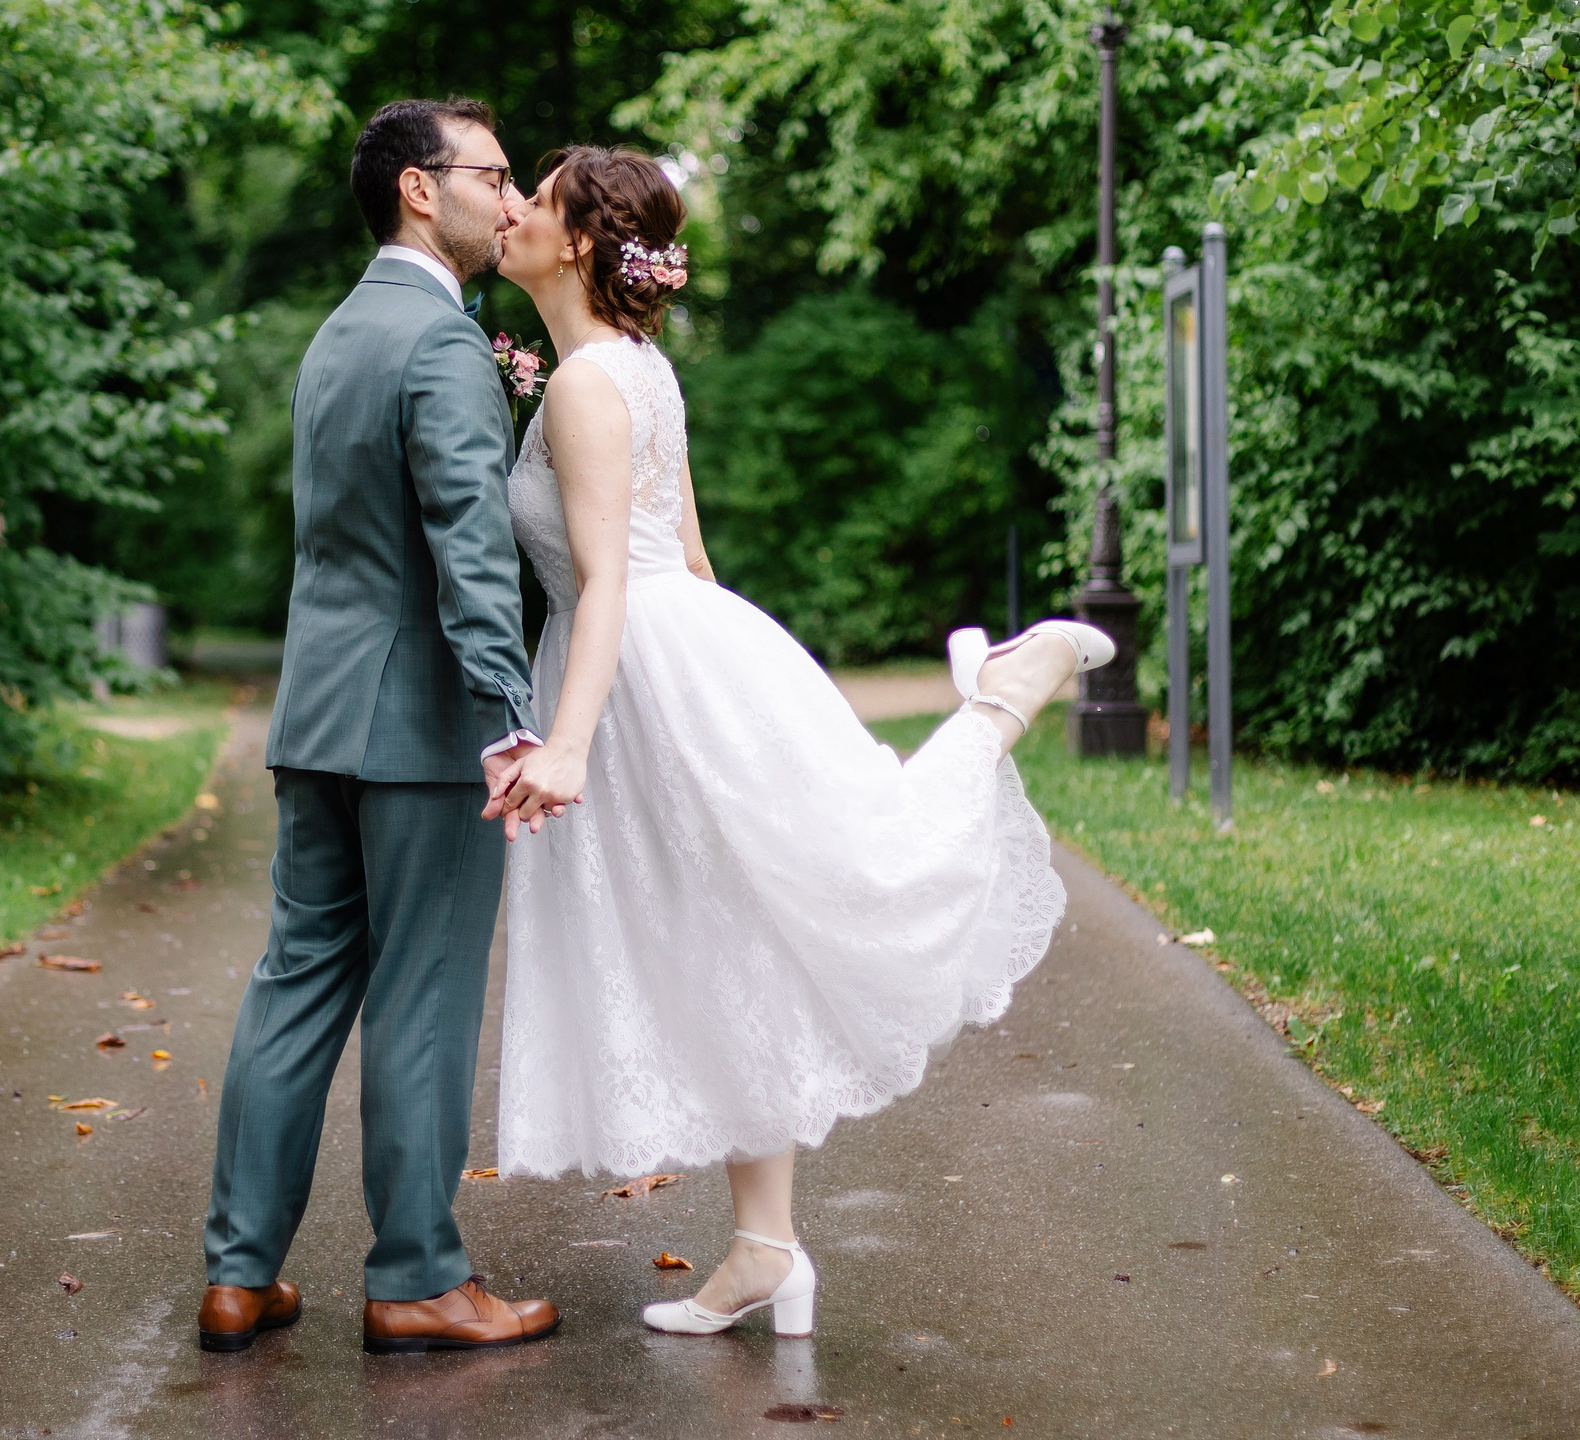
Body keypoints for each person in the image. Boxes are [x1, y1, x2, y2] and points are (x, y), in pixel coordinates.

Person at [485, 145, 1110, 1338]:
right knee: (732, 944)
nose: (511, 210)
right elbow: (691, 551)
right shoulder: (633, 367)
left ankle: (1002, 696)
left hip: (641, 669)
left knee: (847, 874)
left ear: (576, 243)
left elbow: (616, 573)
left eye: (538, 199)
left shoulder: (585, 385)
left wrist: (569, 741)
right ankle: (768, 1247)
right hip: (673, 665)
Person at [196, 98, 563, 1357]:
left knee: (295, 986)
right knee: (423, 995)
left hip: (317, 720)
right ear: (421, 188)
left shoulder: (339, 335)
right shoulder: (443, 344)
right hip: (421, 734)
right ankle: (416, 1275)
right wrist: (508, 719)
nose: (510, 199)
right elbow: (469, 547)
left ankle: (238, 1277)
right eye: (494, 176)